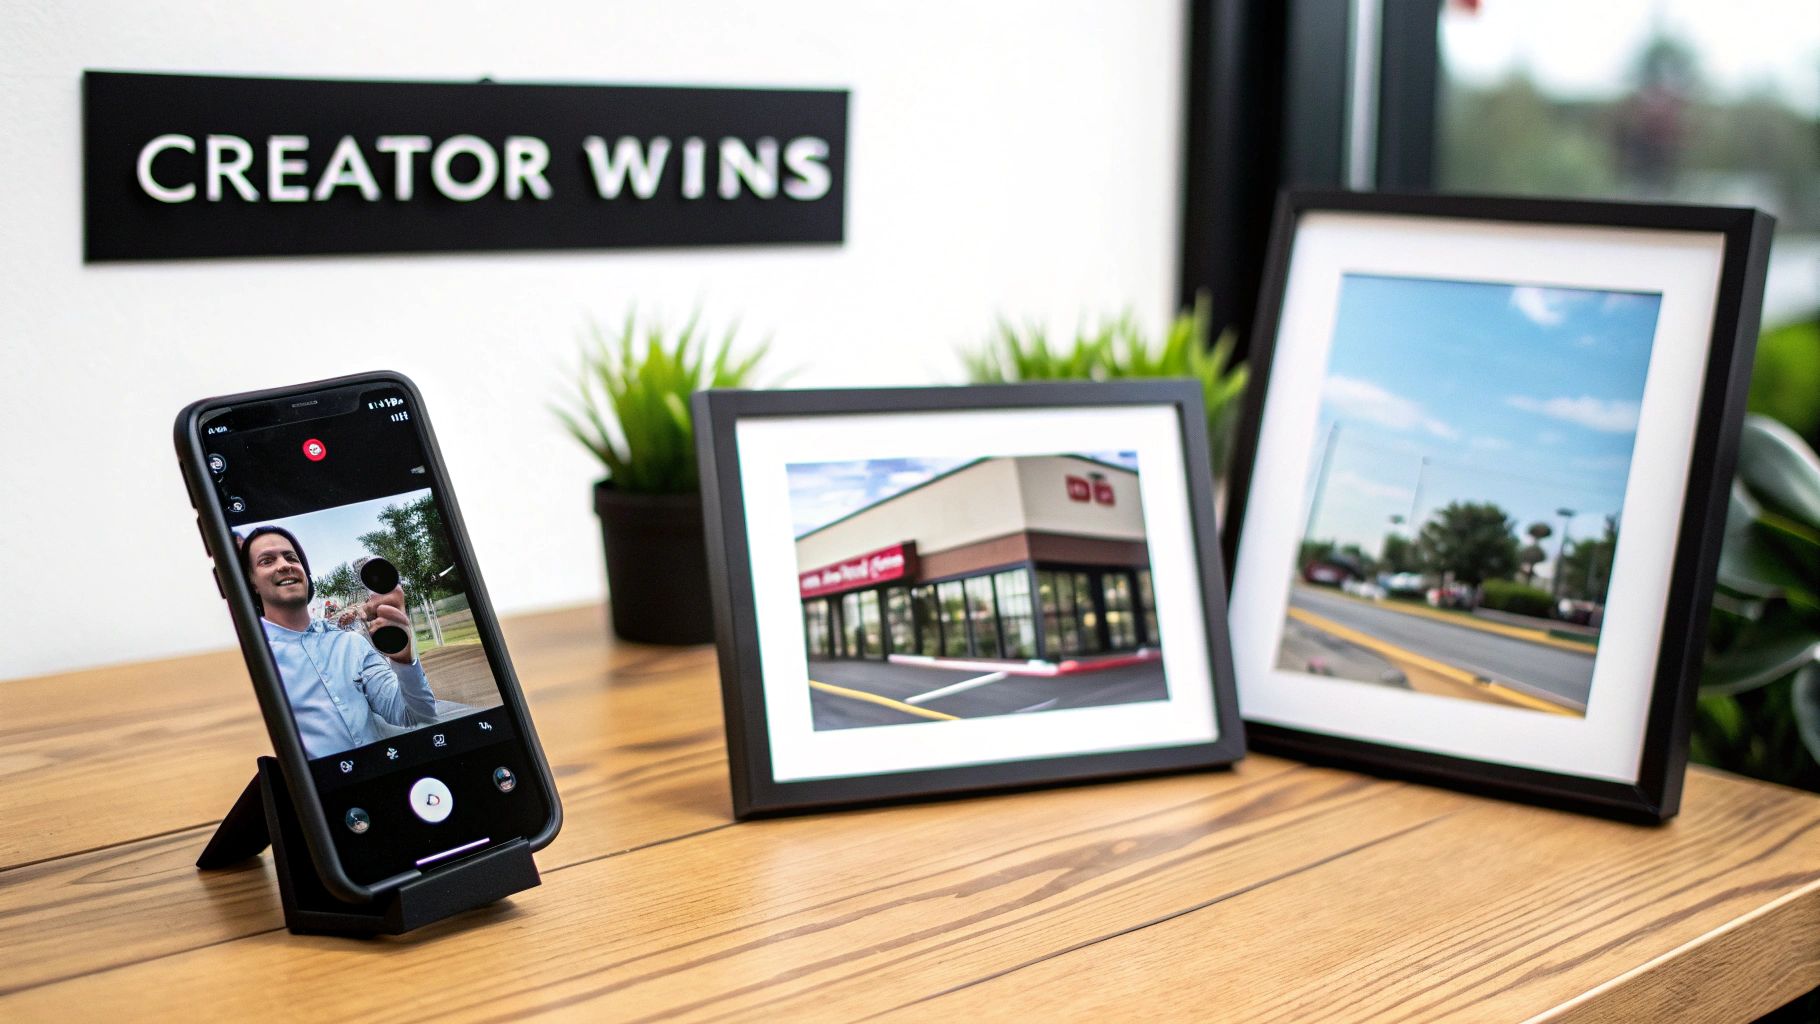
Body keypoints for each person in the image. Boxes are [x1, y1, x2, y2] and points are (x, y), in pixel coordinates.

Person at [238, 525, 438, 759]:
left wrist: (404, 658)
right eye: (267, 561)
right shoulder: (250, 660)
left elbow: (416, 715)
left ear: (305, 572)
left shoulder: (351, 645)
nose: (284, 565)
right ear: (251, 582)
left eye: (291, 557)